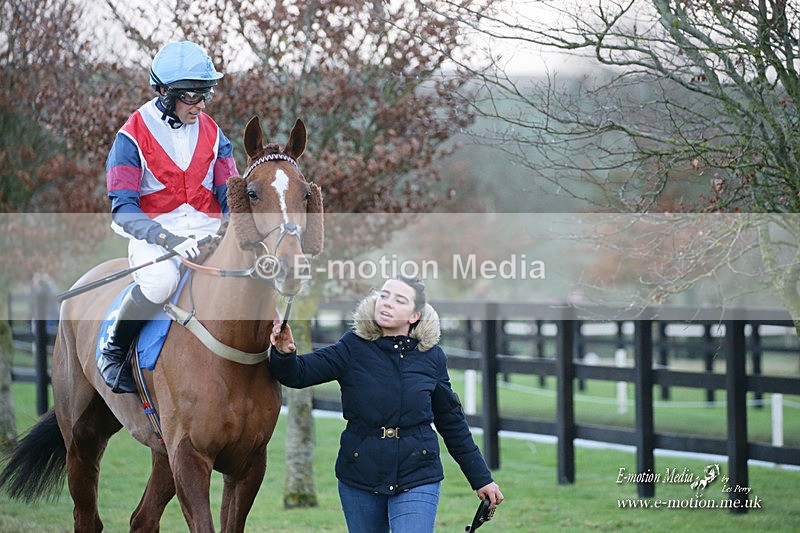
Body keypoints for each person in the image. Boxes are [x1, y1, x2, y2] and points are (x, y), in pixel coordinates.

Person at [269, 275, 504, 533]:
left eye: (399, 300)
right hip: (359, 472)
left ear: (414, 316)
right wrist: (284, 353)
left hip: (418, 472)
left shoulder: (432, 357)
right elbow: (298, 374)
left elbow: (451, 421)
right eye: (384, 295)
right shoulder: (351, 347)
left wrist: (481, 478)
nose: (387, 303)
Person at [98, 41, 237, 393]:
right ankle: (112, 352)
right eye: (192, 95)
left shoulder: (214, 133)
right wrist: (167, 240)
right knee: (160, 283)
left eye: (206, 93)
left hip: (207, 235)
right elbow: (123, 208)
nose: (201, 104)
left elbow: (229, 194)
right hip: (155, 238)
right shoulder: (130, 136)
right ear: (164, 92)